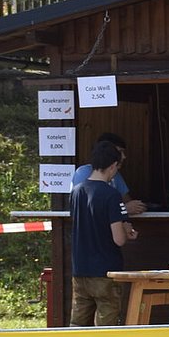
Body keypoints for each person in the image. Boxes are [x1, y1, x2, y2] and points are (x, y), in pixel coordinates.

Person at [69, 139, 137, 326]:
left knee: (77, 326)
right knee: (106, 328)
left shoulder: (77, 191)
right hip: (106, 270)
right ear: (113, 166)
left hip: (80, 269)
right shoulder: (111, 194)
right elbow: (119, 239)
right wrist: (126, 231)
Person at [71, 132, 147, 216]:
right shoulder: (83, 173)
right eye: (120, 152)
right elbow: (86, 209)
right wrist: (123, 209)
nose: (124, 156)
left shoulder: (115, 175)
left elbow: (127, 202)